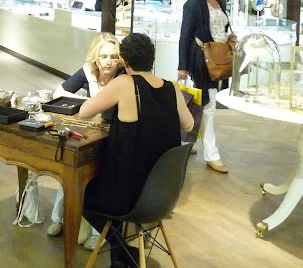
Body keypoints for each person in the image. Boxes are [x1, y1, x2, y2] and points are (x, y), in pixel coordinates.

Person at [78, 33, 194, 268]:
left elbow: (84, 112)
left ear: (124, 60)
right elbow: (189, 124)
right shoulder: (171, 87)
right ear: (152, 59)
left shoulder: (124, 83)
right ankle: (120, 259)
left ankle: (123, 252)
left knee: (83, 194)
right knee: (114, 184)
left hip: (130, 195)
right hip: (164, 194)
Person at [47, 33, 125, 247]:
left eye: (114, 57)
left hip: (113, 136)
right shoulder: (88, 71)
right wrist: (89, 101)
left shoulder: (123, 75)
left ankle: (97, 231)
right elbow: (59, 93)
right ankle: (59, 218)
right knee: (70, 169)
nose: (109, 61)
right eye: (104, 56)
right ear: (95, 57)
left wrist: (94, 104)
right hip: (91, 132)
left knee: (99, 176)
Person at [178, 0, 237, 173]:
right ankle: (211, 154)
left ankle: (186, 142)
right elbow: (185, 36)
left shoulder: (220, 1)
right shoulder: (193, 5)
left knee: (200, 102)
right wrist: (182, 66)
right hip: (201, 60)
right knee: (209, 105)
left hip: (217, 59)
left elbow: (222, 26)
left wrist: (229, 36)